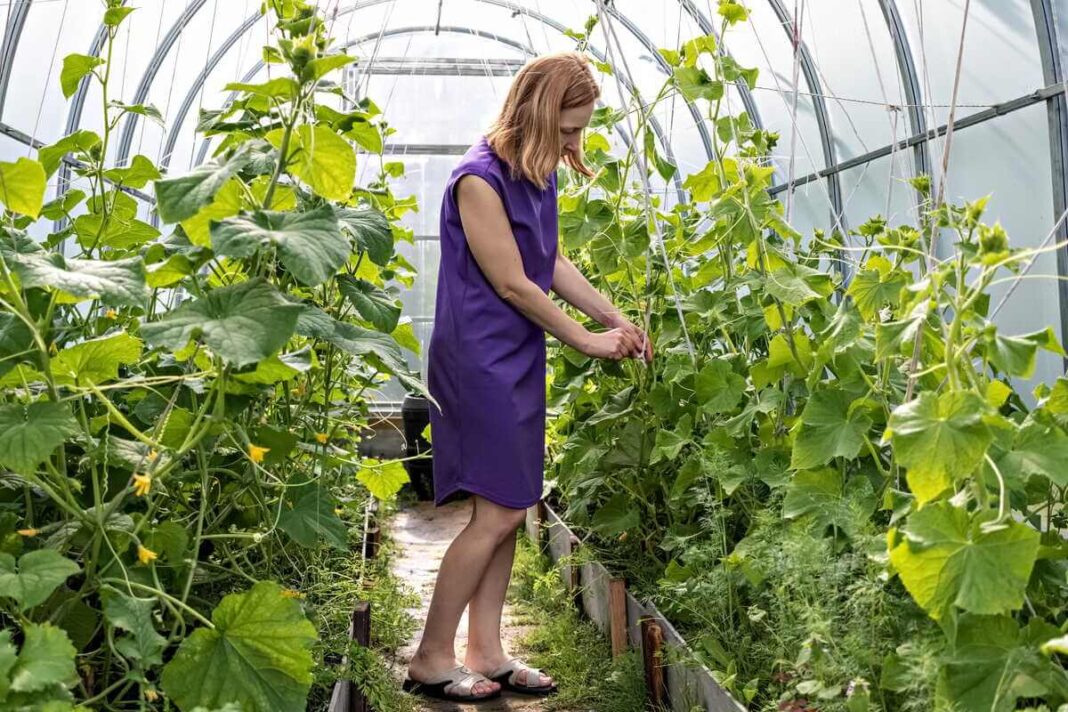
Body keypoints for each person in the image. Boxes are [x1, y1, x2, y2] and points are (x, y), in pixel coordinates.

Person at [402, 51, 654, 703]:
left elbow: (551, 261)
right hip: (478, 359)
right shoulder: (478, 179)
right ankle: (431, 656)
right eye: (567, 129)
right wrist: (587, 341)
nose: (575, 142)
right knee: (493, 513)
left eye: (580, 130)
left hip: (515, 354)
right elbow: (514, 283)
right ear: (538, 114)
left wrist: (613, 317)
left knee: (511, 507)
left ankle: (486, 651)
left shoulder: (537, 171)